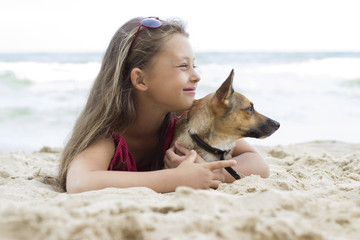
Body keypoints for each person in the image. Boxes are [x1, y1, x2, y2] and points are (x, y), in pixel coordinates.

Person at [59, 17, 269, 193]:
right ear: (141, 80)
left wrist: (213, 172)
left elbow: (258, 163)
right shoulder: (110, 135)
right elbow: (80, 182)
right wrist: (175, 178)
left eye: (193, 65)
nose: (196, 76)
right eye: (183, 66)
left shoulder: (188, 121)